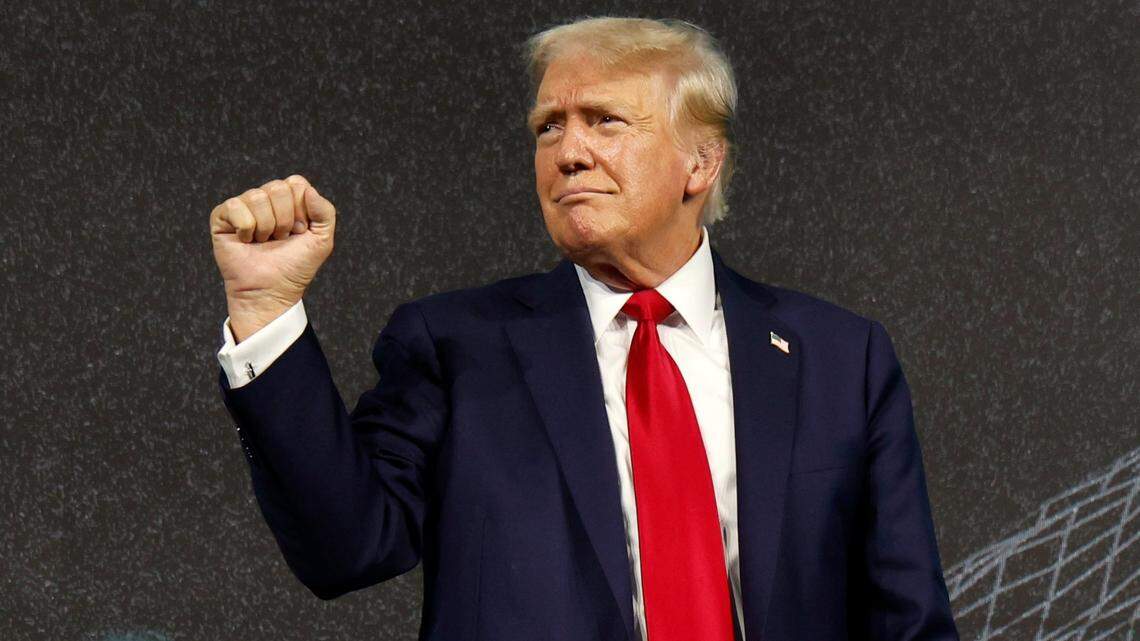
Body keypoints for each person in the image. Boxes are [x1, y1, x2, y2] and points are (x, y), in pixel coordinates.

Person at [209, 16, 959, 641]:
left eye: (605, 121)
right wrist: (267, 313)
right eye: (549, 127)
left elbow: (909, 621)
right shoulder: (453, 346)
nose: (569, 152)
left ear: (700, 163)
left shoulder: (839, 358)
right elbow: (347, 545)